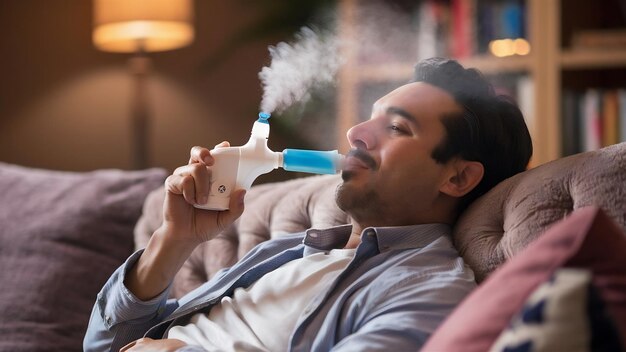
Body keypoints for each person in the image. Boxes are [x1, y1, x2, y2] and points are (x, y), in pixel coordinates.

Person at [84, 57, 532, 351]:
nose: (356, 131)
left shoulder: (425, 292)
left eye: (397, 128)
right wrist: (174, 240)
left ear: (457, 177)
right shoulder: (287, 253)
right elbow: (105, 343)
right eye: (369, 116)